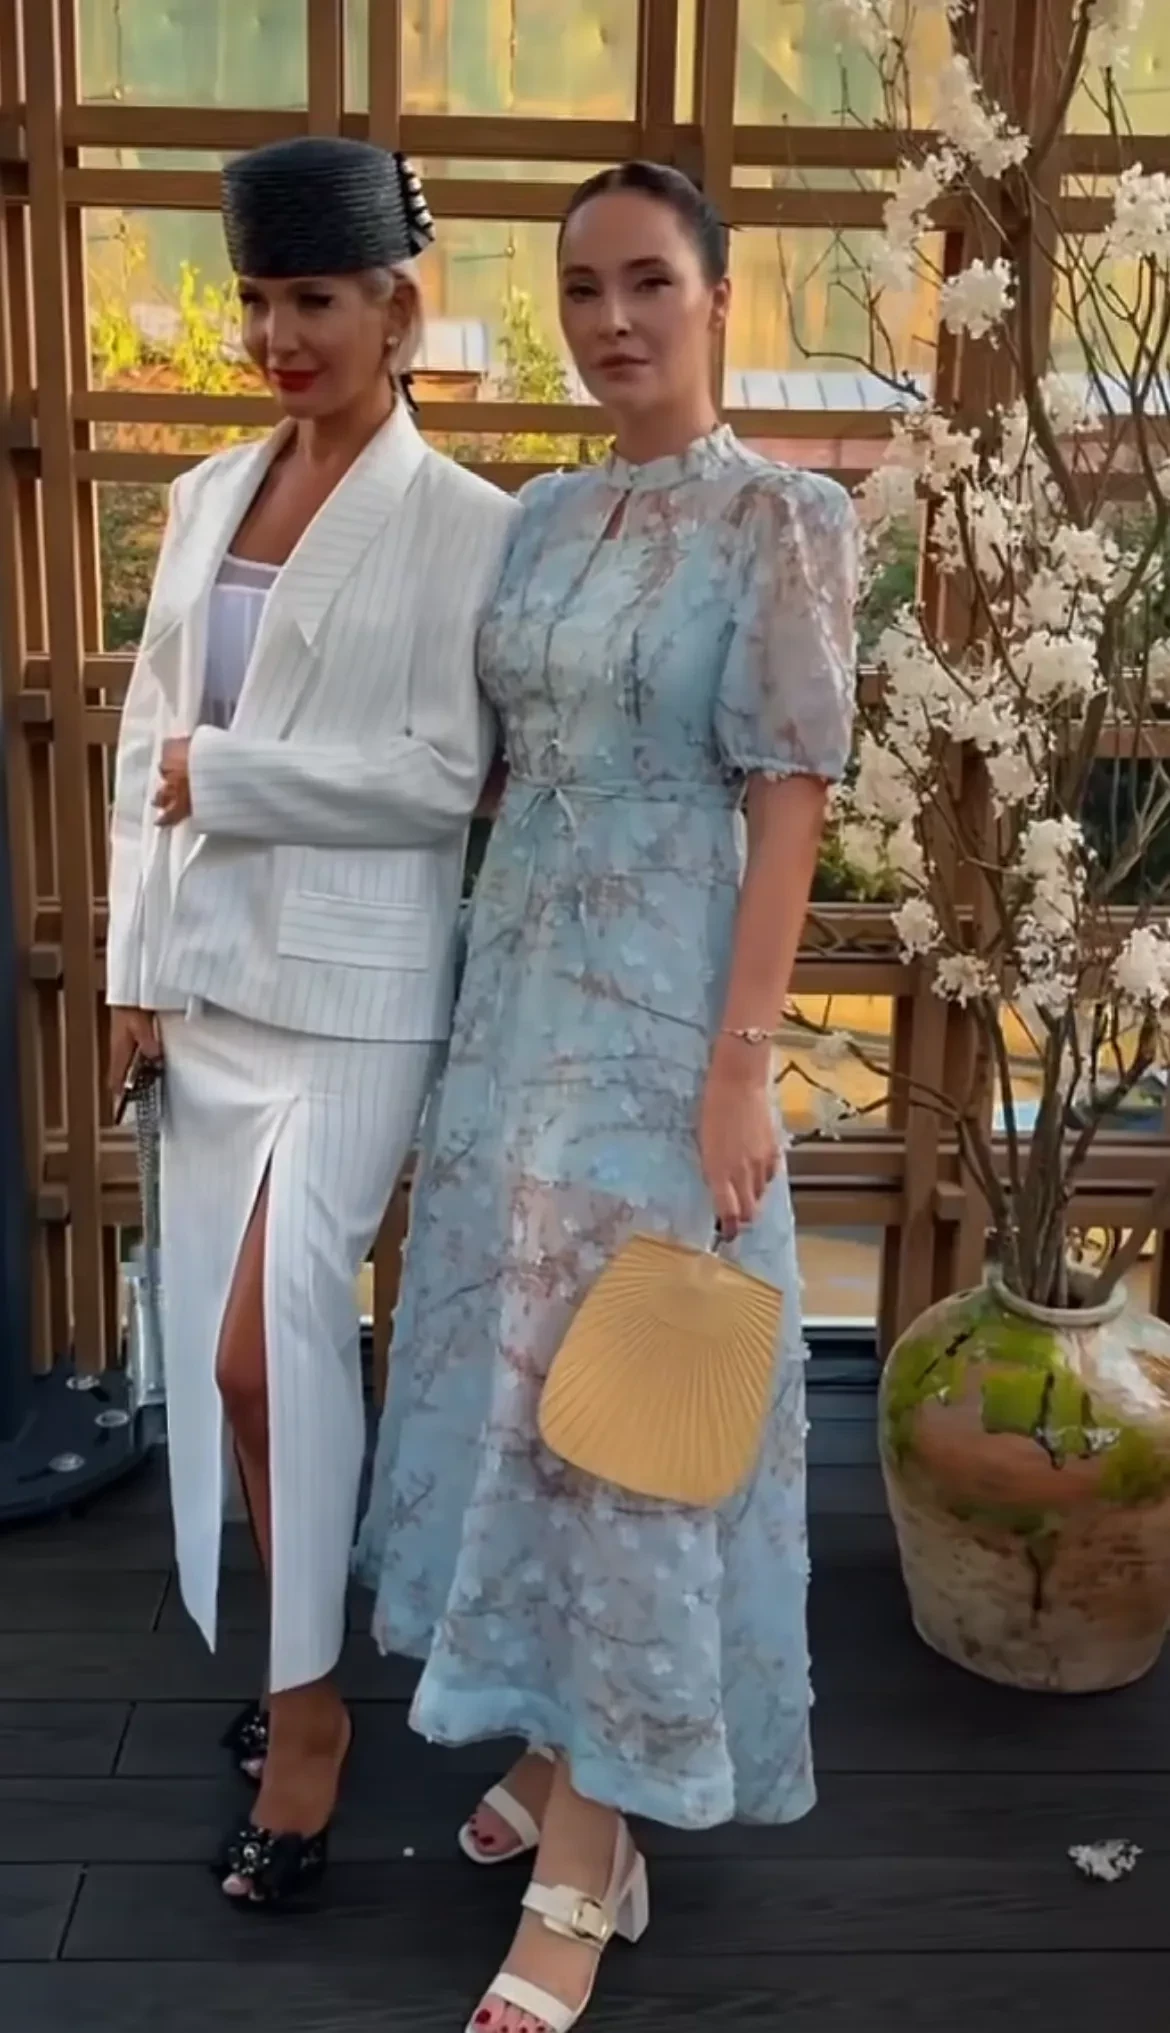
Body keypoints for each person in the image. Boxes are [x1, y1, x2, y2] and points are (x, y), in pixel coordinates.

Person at [355, 159, 859, 2033]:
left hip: (662, 1017)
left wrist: (742, 1066)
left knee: (631, 1398)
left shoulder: (783, 516)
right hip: (513, 1008)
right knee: (521, 1384)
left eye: (647, 280)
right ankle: (567, 1738)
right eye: (580, 288)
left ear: (717, 294)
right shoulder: (544, 517)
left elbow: (789, 799)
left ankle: (587, 1851)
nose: (611, 320)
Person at [104, 135, 516, 1907]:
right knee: (231, 1367)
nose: (279, 336)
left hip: (352, 1000)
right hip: (206, 987)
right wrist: (133, 968)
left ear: (395, 311)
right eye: (260, 300)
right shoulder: (210, 490)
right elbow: (143, 742)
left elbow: (442, 778)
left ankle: (311, 1718)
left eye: (315, 302)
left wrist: (235, 777)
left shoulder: (467, 522)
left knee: (265, 1353)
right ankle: (297, 1671)